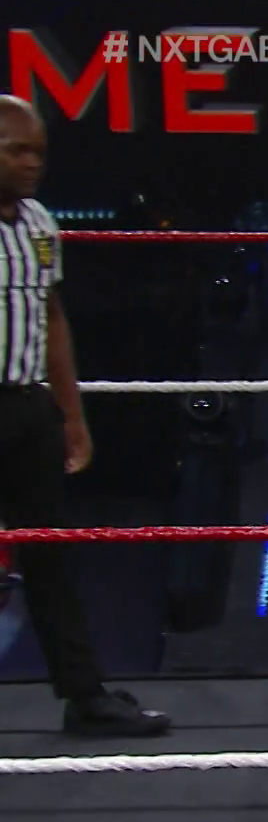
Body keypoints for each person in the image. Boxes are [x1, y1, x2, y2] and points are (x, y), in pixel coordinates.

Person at [0, 95, 170, 738]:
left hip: (27, 406)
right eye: (16, 150)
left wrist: (71, 415)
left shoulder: (40, 224)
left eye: (38, 152)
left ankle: (84, 694)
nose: (31, 163)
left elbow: (52, 318)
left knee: (49, 555)